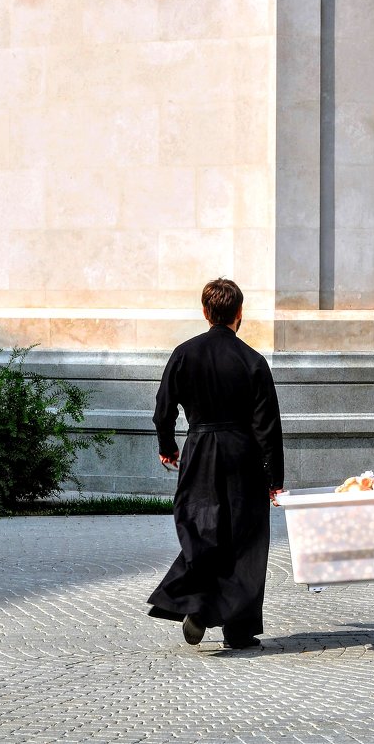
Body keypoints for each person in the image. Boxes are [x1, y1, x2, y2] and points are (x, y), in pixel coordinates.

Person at [147, 278, 285, 650]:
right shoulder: (253, 360)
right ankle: (238, 630)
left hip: (200, 449)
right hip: (243, 455)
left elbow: (163, 410)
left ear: (206, 312)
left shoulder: (184, 353)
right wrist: (275, 478)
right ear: (240, 313)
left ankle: (196, 600)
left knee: (200, 529)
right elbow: (267, 426)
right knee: (246, 540)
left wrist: (168, 446)